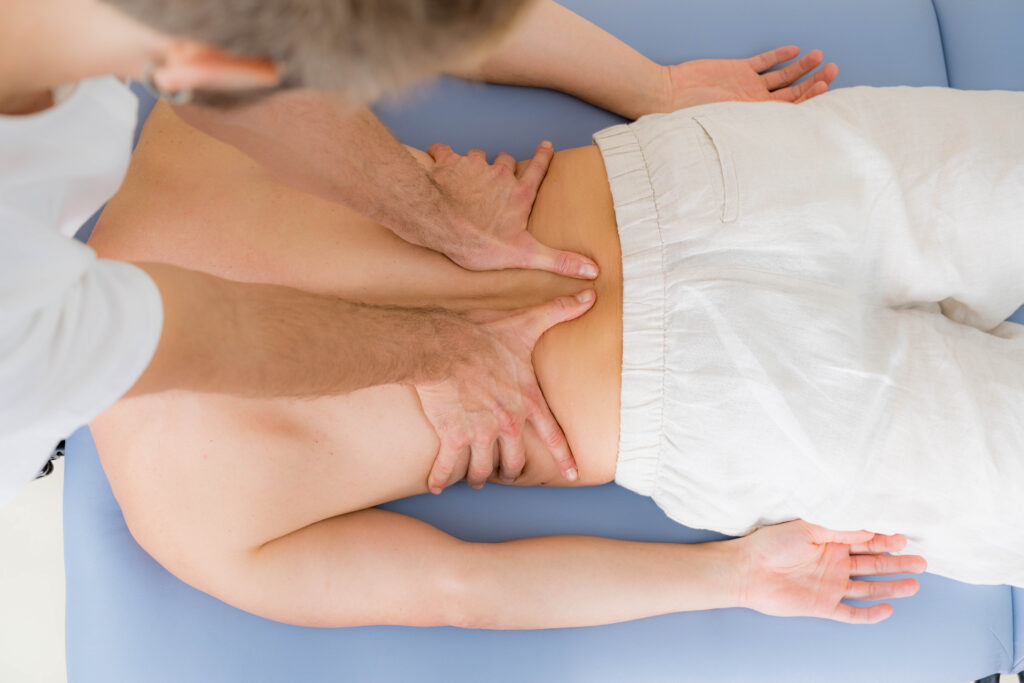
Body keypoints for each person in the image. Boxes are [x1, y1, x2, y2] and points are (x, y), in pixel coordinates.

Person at [123, 72, 1024, 627]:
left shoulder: (184, 515)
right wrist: (646, 86)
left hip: (720, 393)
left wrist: (730, 575)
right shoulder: (184, 110)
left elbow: (462, 592)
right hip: (699, 209)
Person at [0, 0, 837, 507]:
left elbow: (262, 52)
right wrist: (449, 347)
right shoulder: (45, 346)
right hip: (690, 402)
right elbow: (215, 332)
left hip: (691, 203)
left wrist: (652, 89)